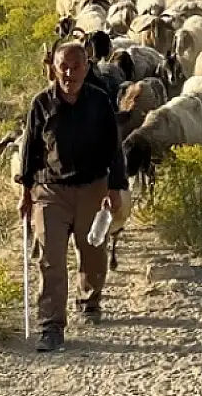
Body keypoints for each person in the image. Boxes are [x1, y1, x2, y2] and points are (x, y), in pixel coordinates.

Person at [18, 40, 127, 352]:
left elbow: (113, 146)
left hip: (92, 187)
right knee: (51, 259)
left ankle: (89, 298)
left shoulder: (99, 101)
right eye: (63, 66)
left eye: (76, 66)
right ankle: (51, 325)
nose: (69, 73)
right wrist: (26, 192)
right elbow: (30, 151)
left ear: (87, 67)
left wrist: (115, 187)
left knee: (93, 251)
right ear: (53, 67)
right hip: (50, 190)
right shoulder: (41, 103)